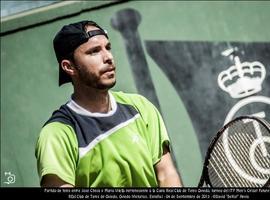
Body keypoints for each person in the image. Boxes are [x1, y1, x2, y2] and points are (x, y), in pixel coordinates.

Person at [35, 20, 183, 187]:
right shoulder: (56, 135)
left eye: (108, 48)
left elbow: (166, 173)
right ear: (69, 67)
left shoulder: (140, 107)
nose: (108, 57)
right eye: (94, 51)